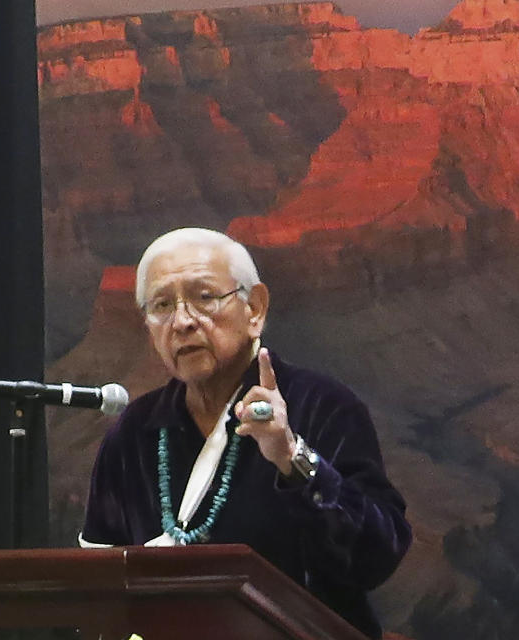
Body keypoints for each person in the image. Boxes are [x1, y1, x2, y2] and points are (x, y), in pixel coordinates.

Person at [80, 227, 411, 639]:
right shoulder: (135, 433)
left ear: (255, 309)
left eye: (204, 298)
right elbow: (97, 585)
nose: (182, 322)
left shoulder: (322, 407)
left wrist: (291, 456)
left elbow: (377, 557)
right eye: (162, 305)